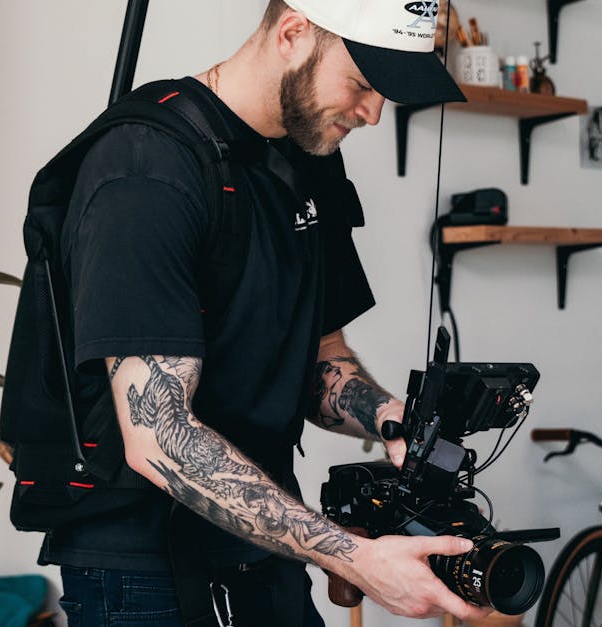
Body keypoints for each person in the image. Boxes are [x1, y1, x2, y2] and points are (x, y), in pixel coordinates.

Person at [41, 1, 484, 624]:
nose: (374, 113)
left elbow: (322, 360)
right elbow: (158, 438)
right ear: (293, 33)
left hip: (264, 548)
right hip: (144, 570)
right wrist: (356, 557)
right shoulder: (147, 165)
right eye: (362, 84)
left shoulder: (309, 165)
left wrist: (388, 418)